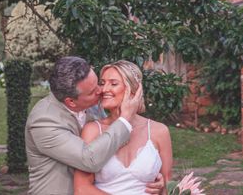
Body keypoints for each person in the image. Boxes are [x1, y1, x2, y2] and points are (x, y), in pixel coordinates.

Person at [26, 56, 165, 195]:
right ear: (71, 102)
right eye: (93, 91)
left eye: (97, 83)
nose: (101, 90)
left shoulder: (93, 104)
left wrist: (155, 179)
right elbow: (89, 160)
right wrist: (125, 119)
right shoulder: (44, 121)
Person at [74, 60, 173, 195]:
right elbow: (82, 189)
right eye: (102, 83)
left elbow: (168, 185)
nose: (104, 89)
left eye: (113, 84)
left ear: (134, 90)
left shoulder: (159, 131)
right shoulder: (93, 130)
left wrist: (162, 187)